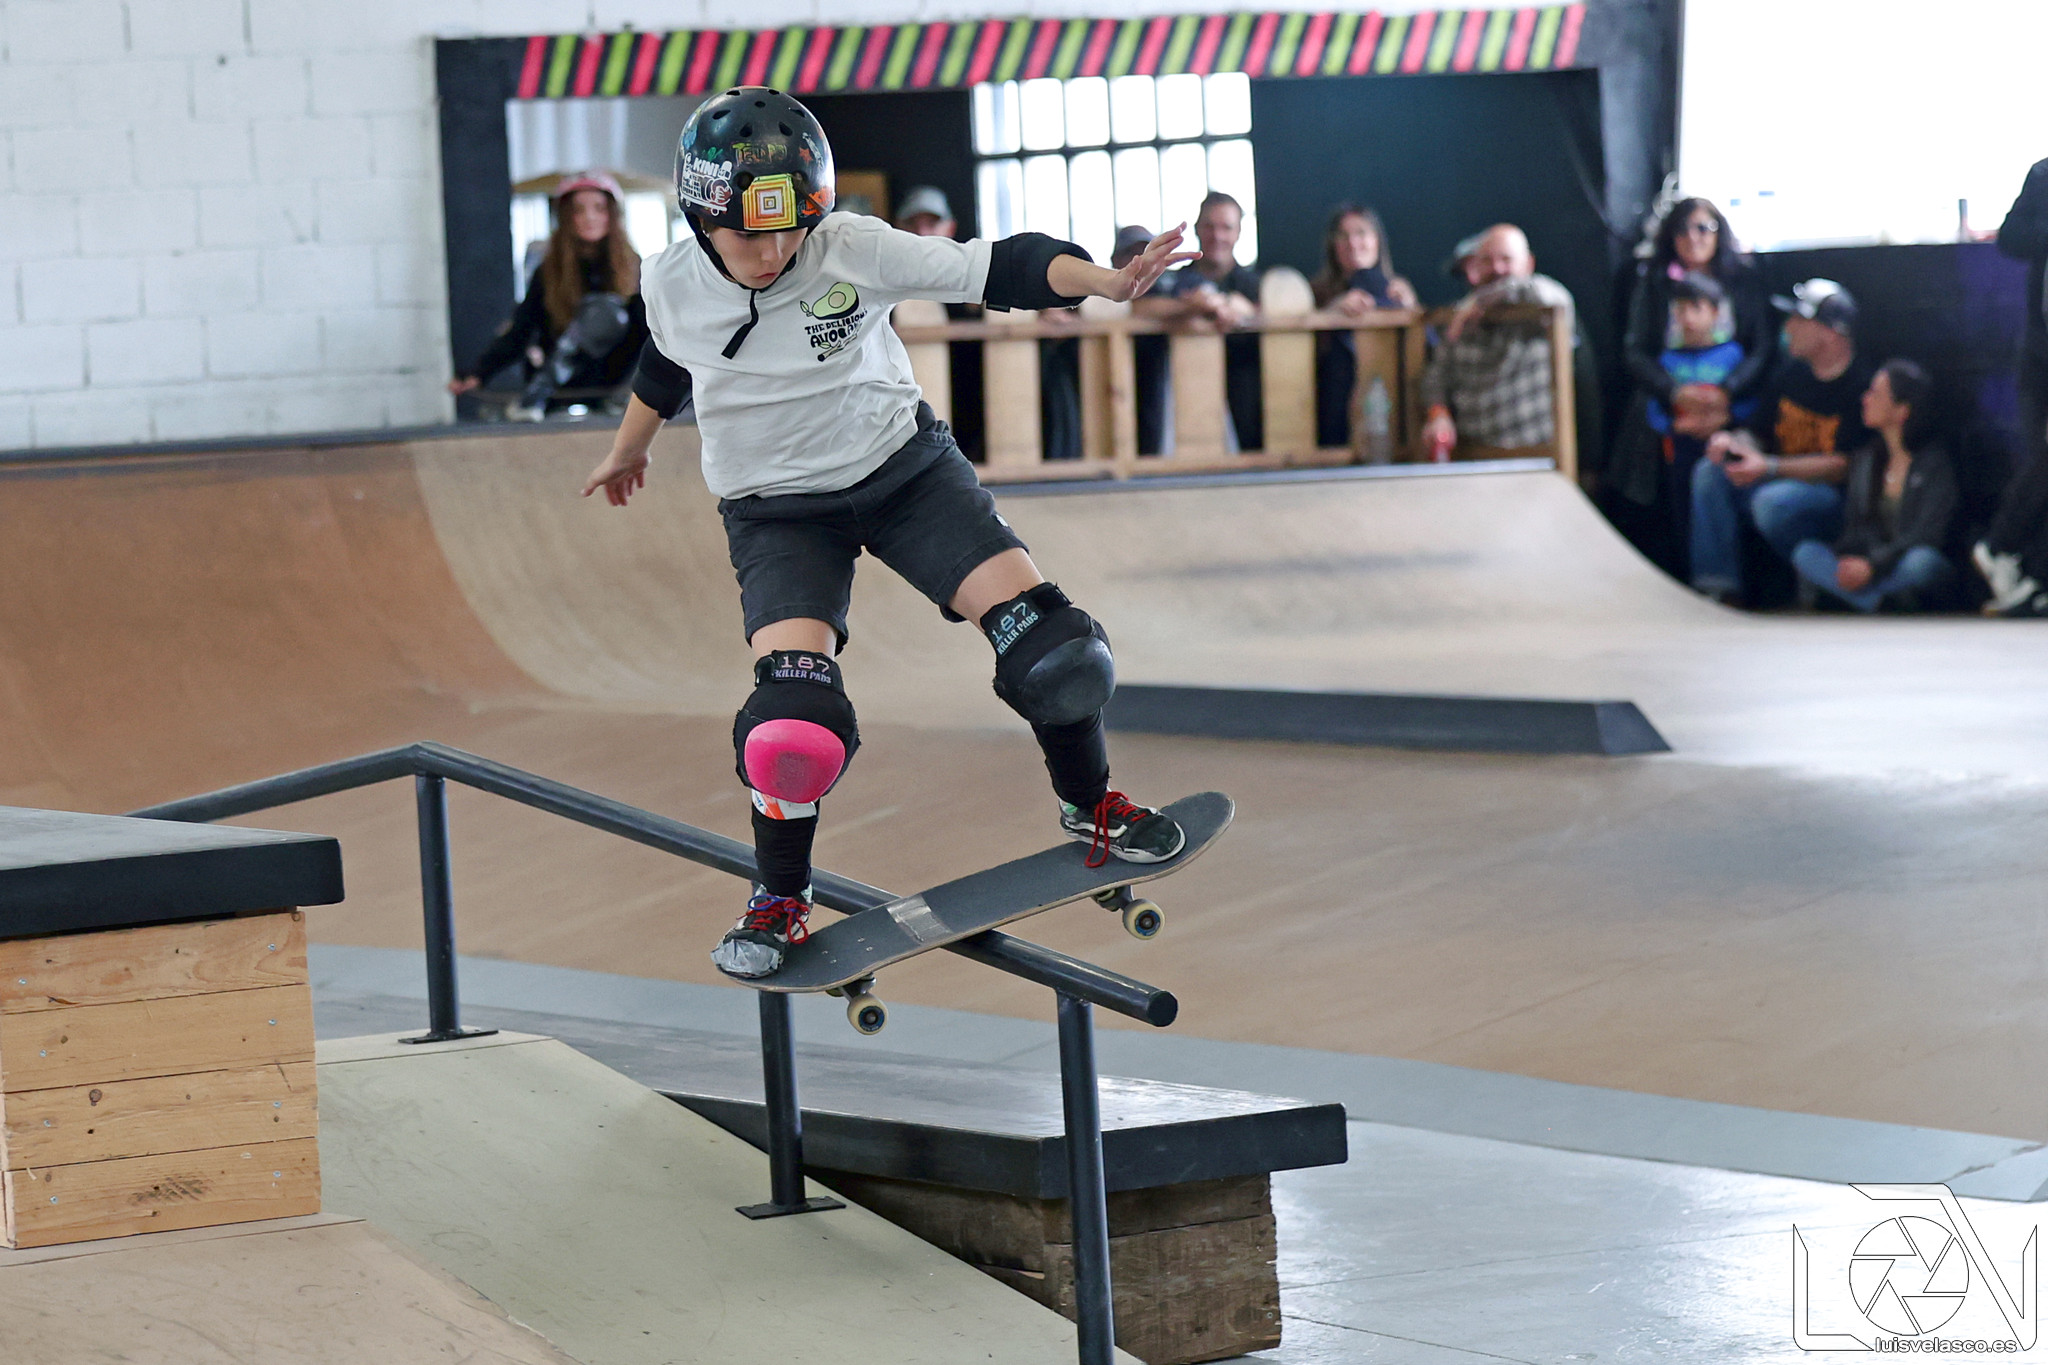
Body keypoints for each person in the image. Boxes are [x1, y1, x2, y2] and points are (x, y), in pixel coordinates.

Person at [580, 89, 1194, 980]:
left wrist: (1103, 282)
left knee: (1059, 655)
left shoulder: (850, 247)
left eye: (790, 232)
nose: (774, 254)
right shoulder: (670, 279)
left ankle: (1090, 804)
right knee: (791, 730)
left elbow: (996, 266)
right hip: (777, 510)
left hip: (906, 475)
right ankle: (780, 896)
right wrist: (628, 448)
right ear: (702, 217)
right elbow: (667, 361)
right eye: (750, 238)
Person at [1690, 279, 1874, 604]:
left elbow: (1842, 466)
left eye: (1799, 320)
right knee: (1710, 471)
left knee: (1772, 502)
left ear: (1829, 332)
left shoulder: (1862, 385)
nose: (1788, 328)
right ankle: (1719, 587)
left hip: (1831, 500)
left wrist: (1769, 467)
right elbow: (1757, 430)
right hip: (1774, 479)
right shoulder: (1791, 374)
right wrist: (1732, 442)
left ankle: (1813, 573)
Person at [450, 171, 648, 418]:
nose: (590, 217)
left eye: (599, 209)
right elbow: (521, 329)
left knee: (619, 311)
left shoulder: (634, 267)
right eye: (578, 210)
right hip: (562, 384)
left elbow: (651, 331)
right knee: (597, 313)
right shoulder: (549, 270)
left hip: (614, 382)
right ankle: (537, 394)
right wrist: (479, 373)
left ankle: (629, 397)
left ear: (613, 215)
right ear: (565, 217)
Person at [1791, 360, 1958, 612]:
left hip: (1901, 562)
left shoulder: (1934, 463)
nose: (1865, 399)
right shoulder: (1866, 459)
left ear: (1902, 411)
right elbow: (1856, 528)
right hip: (1872, 563)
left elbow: (1928, 533)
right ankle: (1880, 603)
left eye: (1875, 394)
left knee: (1922, 563)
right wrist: (1854, 563)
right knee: (1806, 553)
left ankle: (1866, 600)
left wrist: (1874, 565)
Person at [1418, 224, 1577, 456]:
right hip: (1473, 456)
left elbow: (1551, 297)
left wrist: (1484, 299)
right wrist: (1438, 415)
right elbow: (1435, 379)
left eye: (1506, 259)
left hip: (1534, 456)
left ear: (1528, 263)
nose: (1497, 268)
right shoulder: (1459, 317)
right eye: (1487, 260)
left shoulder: (1543, 305)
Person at [1973, 158, 2048, 614]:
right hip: (2042, 347)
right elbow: (2011, 238)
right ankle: (2001, 546)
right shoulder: (2044, 175)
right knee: (2043, 453)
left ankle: (2034, 575)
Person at [1135, 191, 1262, 450]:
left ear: (1238, 232)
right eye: (1209, 226)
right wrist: (1189, 307)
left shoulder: (1254, 285)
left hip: (1245, 408)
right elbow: (1138, 307)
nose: (1217, 236)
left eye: (1226, 227)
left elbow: (1274, 312)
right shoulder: (1174, 282)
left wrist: (1238, 309)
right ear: (1196, 229)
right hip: (1179, 409)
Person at [1310, 204, 1418, 447]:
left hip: (1392, 412)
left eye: (1361, 233)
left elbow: (1425, 352)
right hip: (1334, 413)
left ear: (1377, 240)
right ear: (1332, 245)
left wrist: (1410, 311)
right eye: (1343, 236)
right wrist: (1331, 314)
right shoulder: (1316, 293)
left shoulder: (1397, 290)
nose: (1353, 243)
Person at [1113, 225, 1172, 455]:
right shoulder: (1100, 295)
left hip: (1158, 379)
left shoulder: (1170, 288)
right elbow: (1132, 306)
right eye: (1132, 254)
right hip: (1115, 380)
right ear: (1116, 259)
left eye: (1146, 253)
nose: (1140, 261)